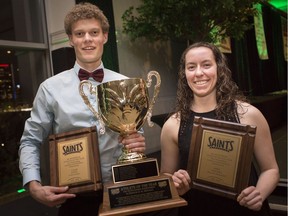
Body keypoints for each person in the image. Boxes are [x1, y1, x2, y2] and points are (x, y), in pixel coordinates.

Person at [18, 3, 146, 215]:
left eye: (94, 32)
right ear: (71, 39)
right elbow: (30, 140)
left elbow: (135, 134)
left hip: (123, 192)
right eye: (80, 33)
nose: (87, 39)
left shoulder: (126, 83)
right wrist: (33, 185)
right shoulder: (50, 89)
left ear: (104, 36)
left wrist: (137, 142)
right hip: (75, 200)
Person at [160, 42, 280, 216]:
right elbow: (166, 176)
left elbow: (271, 170)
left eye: (206, 65)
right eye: (191, 67)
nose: (199, 73)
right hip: (197, 209)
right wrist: (176, 183)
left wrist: (259, 194)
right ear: (184, 74)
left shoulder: (248, 114)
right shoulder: (173, 124)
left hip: (245, 211)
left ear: (219, 68)